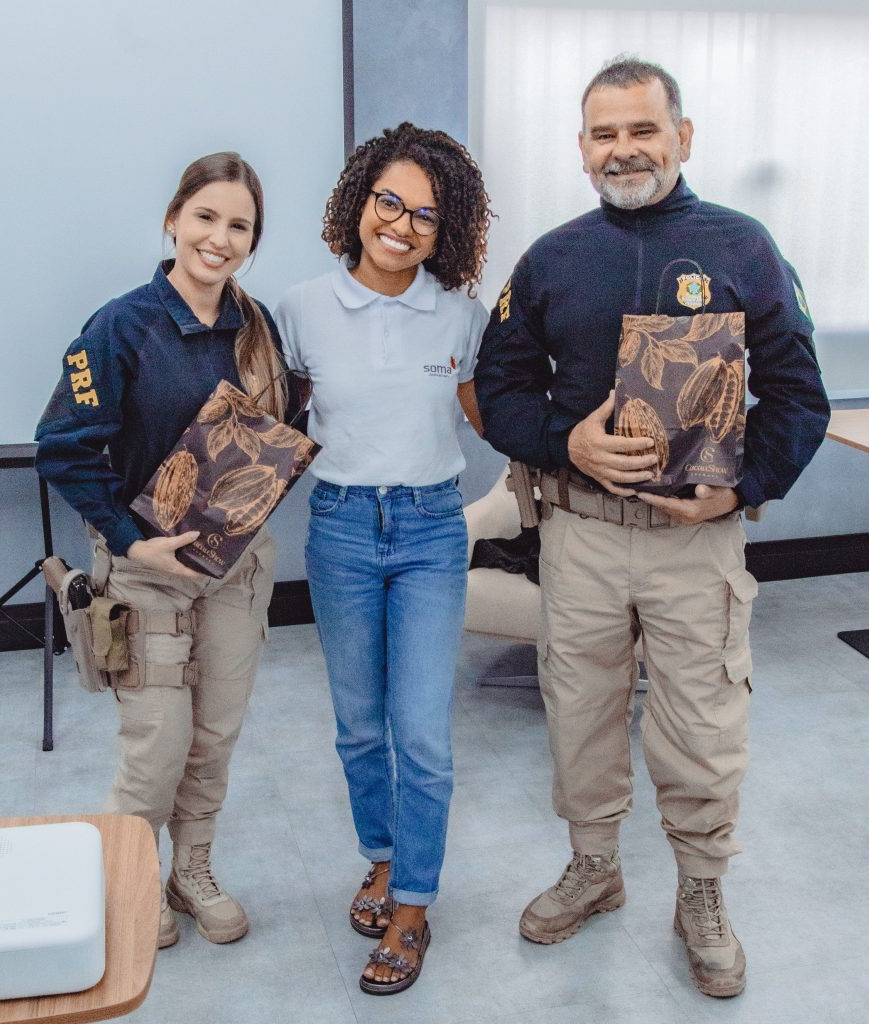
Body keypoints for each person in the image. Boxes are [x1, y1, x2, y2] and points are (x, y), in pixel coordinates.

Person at [474, 58, 830, 998]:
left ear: (682, 135)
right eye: (604, 134)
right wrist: (567, 442)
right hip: (581, 535)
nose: (623, 149)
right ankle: (594, 867)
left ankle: (702, 892)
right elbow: (500, 392)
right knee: (580, 716)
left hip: (696, 541)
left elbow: (799, 394)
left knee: (703, 723)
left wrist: (746, 484)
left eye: (642, 129)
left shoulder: (744, 247)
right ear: (582, 148)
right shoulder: (549, 258)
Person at [35, 152, 288, 950]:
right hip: (146, 579)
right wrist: (130, 541)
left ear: (252, 239)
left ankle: (194, 869)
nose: (220, 238)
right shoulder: (121, 326)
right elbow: (62, 447)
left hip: (234, 574)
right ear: (174, 219)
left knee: (214, 736)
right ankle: (131, 875)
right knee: (158, 746)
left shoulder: (257, 327)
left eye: (238, 225)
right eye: (206, 217)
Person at [275, 122, 493, 995]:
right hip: (338, 531)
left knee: (423, 738)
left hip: (434, 532)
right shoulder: (299, 309)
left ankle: (412, 903)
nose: (401, 226)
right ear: (359, 203)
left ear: (449, 232)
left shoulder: (462, 316)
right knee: (360, 727)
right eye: (388, 203)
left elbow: (492, 417)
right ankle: (379, 857)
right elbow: (272, 421)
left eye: (426, 217)